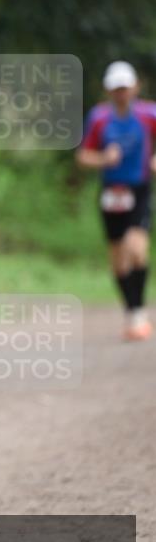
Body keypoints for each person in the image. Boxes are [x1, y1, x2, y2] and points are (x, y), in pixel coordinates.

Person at [76, 61, 156, 341]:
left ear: (135, 87)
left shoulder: (149, 114)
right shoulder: (99, 118)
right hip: (111, 192)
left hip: (140, 189)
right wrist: (103, 158)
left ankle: (138, 313)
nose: (121, 93)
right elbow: (83, 156)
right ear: (108, 90)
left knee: (136, 247)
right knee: (118, 260)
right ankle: (132, 312)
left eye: (125, 87)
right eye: (116, 89)